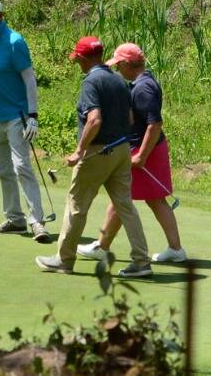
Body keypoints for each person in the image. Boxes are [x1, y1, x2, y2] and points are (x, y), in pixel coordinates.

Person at [35, 36, 151, 277]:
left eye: (77, 58)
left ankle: (64, 260)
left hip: (98, 151)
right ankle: (141, 261)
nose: (76, 61)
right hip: (121, 150)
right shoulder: (119, 80)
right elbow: (130, 119)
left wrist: (79, 150)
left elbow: (94, 119)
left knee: (76, 204)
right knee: (125, 206)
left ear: (83, 58)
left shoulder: (91, 82)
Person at [81, 42, 186, 266]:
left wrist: (141, 156)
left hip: (146, 150)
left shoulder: (143, 88)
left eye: (119, 65)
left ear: (129, 64)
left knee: (121, 197)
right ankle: (175, 249)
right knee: (153, 200)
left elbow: (154, 124)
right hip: (150, 148)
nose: (118, 70)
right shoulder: (143, 82)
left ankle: (102, 246)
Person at [0, 0, 53, 241]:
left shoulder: (15, 41)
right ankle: (15, 219)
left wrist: (33, 115)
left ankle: (37, 221)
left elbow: (29, 78)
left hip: (16, 116)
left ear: (0, 16)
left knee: (22, 168)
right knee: (2, 170)